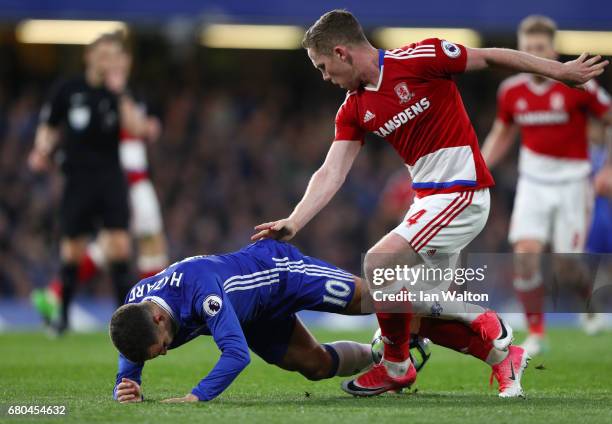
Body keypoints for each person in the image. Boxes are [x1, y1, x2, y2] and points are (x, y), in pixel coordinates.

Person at [251, 9, 607, 396]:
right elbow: (331, 171)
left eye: (323, 66)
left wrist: (560, 72)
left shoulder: (421, 58)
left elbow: (491, 56)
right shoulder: (354, 108)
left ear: (342, 53)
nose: (324, 77)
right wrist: (296, 220)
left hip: (462, 192)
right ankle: (505, 358)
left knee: (378, 264)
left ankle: (406, 360)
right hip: (429, 203)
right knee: (411, 313)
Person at [110, 239, 529, 403]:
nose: (166, 351)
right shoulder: (138, 309)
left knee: (376, 299)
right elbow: (132, 348)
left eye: (162, 344)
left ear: (161, 317)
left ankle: (474, 311)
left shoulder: (203, 295)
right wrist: (126, 385)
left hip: (280, 273)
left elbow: (236, 356)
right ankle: (385, 354)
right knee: (314, 366)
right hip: (252, 312)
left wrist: (196, 396)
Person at [481, 15, 612, 355]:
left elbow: (608, 120)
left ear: (552, 49)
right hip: (533, 182)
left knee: (566, 264)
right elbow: (502, 133)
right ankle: (536, 332)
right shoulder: (511, 92)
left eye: (540, 48)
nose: (534, 55)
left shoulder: (579, 86)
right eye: (527, 49)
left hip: (573, 182)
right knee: (525, 255)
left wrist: (608, 167)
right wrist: (479, 168)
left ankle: (588, 304)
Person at [31, 47, 167, 327]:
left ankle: (55, 294)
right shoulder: (109, 96)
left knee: (116, 246)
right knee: (143, 242)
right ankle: (150, 309)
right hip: (128, 178)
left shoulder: (130, 95)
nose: (118, 68)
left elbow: (144, 128)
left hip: (132, 178)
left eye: (123, 63)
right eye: (115, 62)